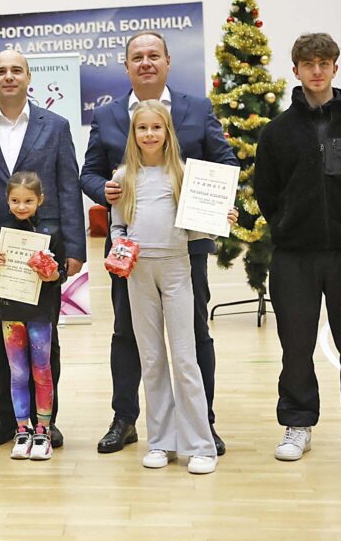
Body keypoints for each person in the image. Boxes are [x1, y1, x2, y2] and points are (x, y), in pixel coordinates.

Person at [81, 31, 236, 456]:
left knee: (194, 338)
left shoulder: (197, 108)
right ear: (126, 65)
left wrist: (217, 205)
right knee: (127, 335)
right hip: (130, 255)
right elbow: (89, 172)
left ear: (168, 61)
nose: (146, 62)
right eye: (137, 57)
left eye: (154, 55)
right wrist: (104, 192)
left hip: (186, 250)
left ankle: (202, 423)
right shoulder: (107, 115)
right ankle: (126, 420)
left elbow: (224, 162)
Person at [254, 32, 341, 465]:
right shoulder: (276, 133)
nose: (317, 71)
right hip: (294, 256)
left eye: (324, 63)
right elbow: (266, 192)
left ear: (335, 67)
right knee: (295, 345)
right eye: (308, 64)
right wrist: (286, 226)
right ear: (295, 70)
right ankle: (298, 423)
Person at [0, 49, 86, 450]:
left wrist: (75, 248)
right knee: (3, 340)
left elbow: (68, 187)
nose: (9, 76)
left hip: (43, 254)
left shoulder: (56, 126)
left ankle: (47, 422)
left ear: (29, 77)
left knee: (45, 340)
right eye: (1, 71)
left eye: (16, 70)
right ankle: (8, 421)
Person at [111, 101, 237, 474]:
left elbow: (197, 229)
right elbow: (118, 226)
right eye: (142, 128)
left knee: (184, 357)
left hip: (177, 268)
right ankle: (161, 442)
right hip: (138, 273)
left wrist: (220, 219)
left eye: (156, 127)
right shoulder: (123, 176)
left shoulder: (183, 174)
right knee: (151, 358)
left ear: (168, 132)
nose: (149, 134)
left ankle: (200, 445)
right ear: (134, 134)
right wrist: (120, 248)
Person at [0, 171, 65, 461]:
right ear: (6, 200)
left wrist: (54, 273)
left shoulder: (51, 232)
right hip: (10, 312)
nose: (21, 206)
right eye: (15, 200)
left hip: (41, 312)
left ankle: (43, 429)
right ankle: (21, 430)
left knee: (42, 370)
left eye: (28, 200)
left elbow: (60, 273)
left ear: (40, 200)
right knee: (17, 373)